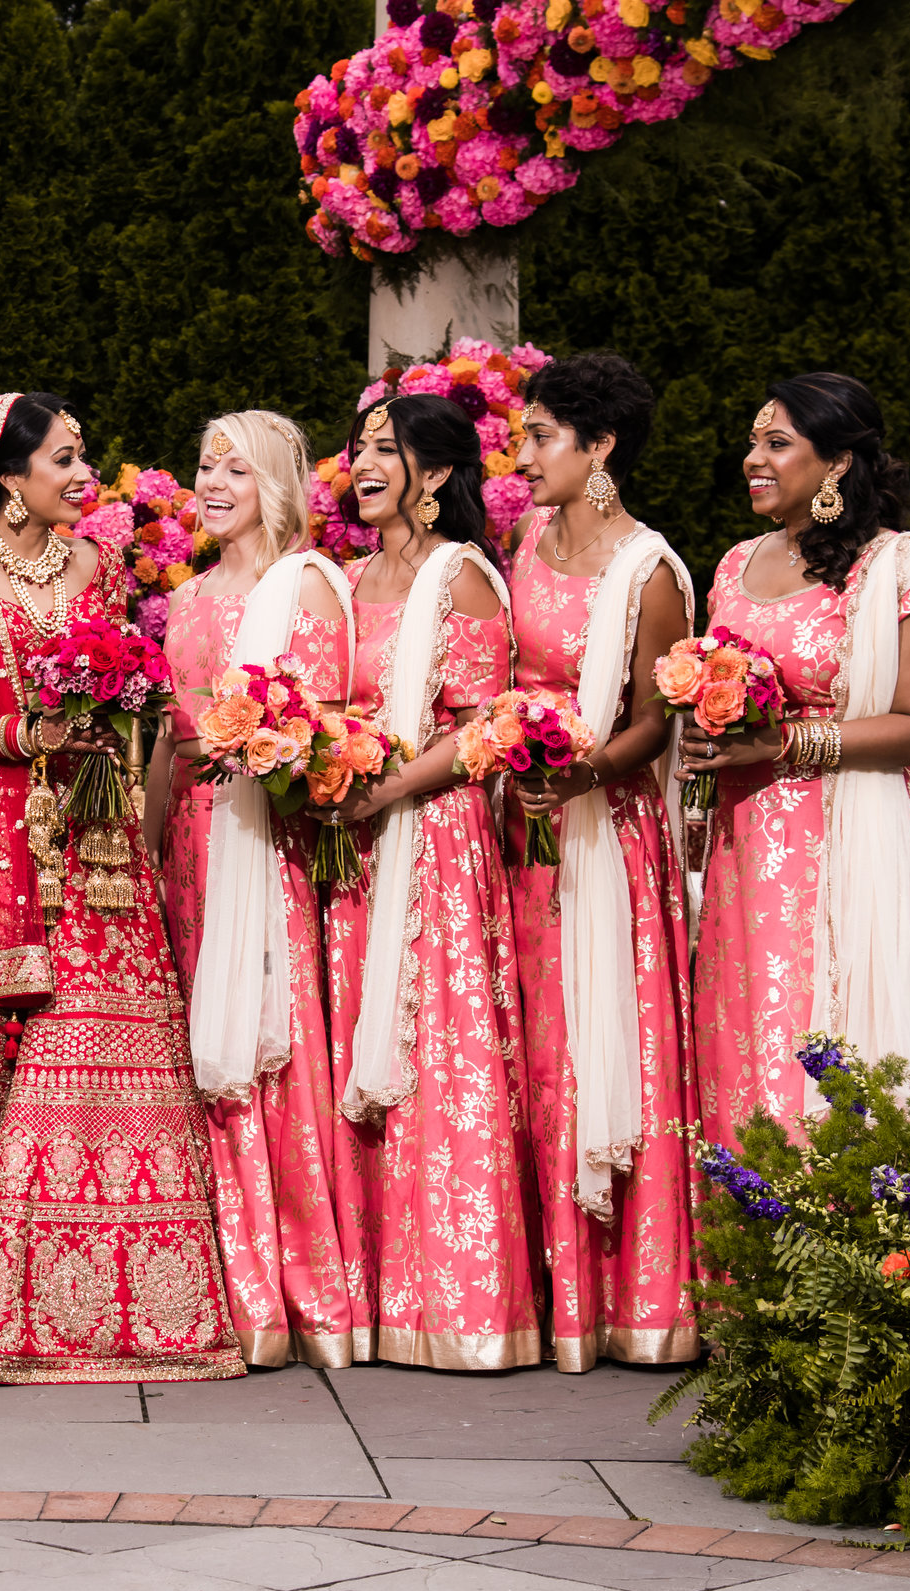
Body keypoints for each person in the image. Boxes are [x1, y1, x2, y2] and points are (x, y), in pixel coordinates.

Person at [0, 393, 242, 1384]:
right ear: (6, 474)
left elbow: (123, 680)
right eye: (65, 458)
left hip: (97, 837)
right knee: (1, 1048)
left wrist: (113, 709)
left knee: (98, 1034)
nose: (85, 475)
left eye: (86, 455)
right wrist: (23, 735)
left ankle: (121, 1309)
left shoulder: (100, 564)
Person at [317, 393, 540, 1370]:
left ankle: (458, 1302)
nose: (360, 464)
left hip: (434, 837)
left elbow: (486, 727)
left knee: (435, 1051)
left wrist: (385, 790)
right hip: (349, 841)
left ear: (438, 473)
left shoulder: (465, 579)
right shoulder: (348, 577)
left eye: (383, 450)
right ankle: (363, 1294)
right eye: (357, 449)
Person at [682, 374, 910, 1139]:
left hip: (847, 839)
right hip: (744, 847)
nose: (753, 458)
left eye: (777, 443)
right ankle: (747, 1243)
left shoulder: (898, 569)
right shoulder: (735, 565)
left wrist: (787, 744)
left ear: (837, 461)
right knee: (745, 1039)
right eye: (752, 441)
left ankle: (844, 1237)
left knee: (827, 1045)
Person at [148, 409, 357, 1368]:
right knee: (201, 1050)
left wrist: (254, 752)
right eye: (203, 467)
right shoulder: (187, 600)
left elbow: (326, 729)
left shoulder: (308, 584)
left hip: (269, 841)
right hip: (194, 843)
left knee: (273, 1048)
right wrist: (145, 851)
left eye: (236, 469)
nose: (214, 484)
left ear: (276, 482)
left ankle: (294, 1290)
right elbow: (167, 737)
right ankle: (219, 1281)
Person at [505, 353, 701, 1371]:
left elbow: (657, 720)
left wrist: (580, 773)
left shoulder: (650, 569)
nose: (522, 453)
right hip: (518, 834)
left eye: (540, 436)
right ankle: (540, 1289)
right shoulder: (526, 542)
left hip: (604, 835)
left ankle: (625, 1293)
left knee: (594, 1042)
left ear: (601, 445)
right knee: (529, 1049)